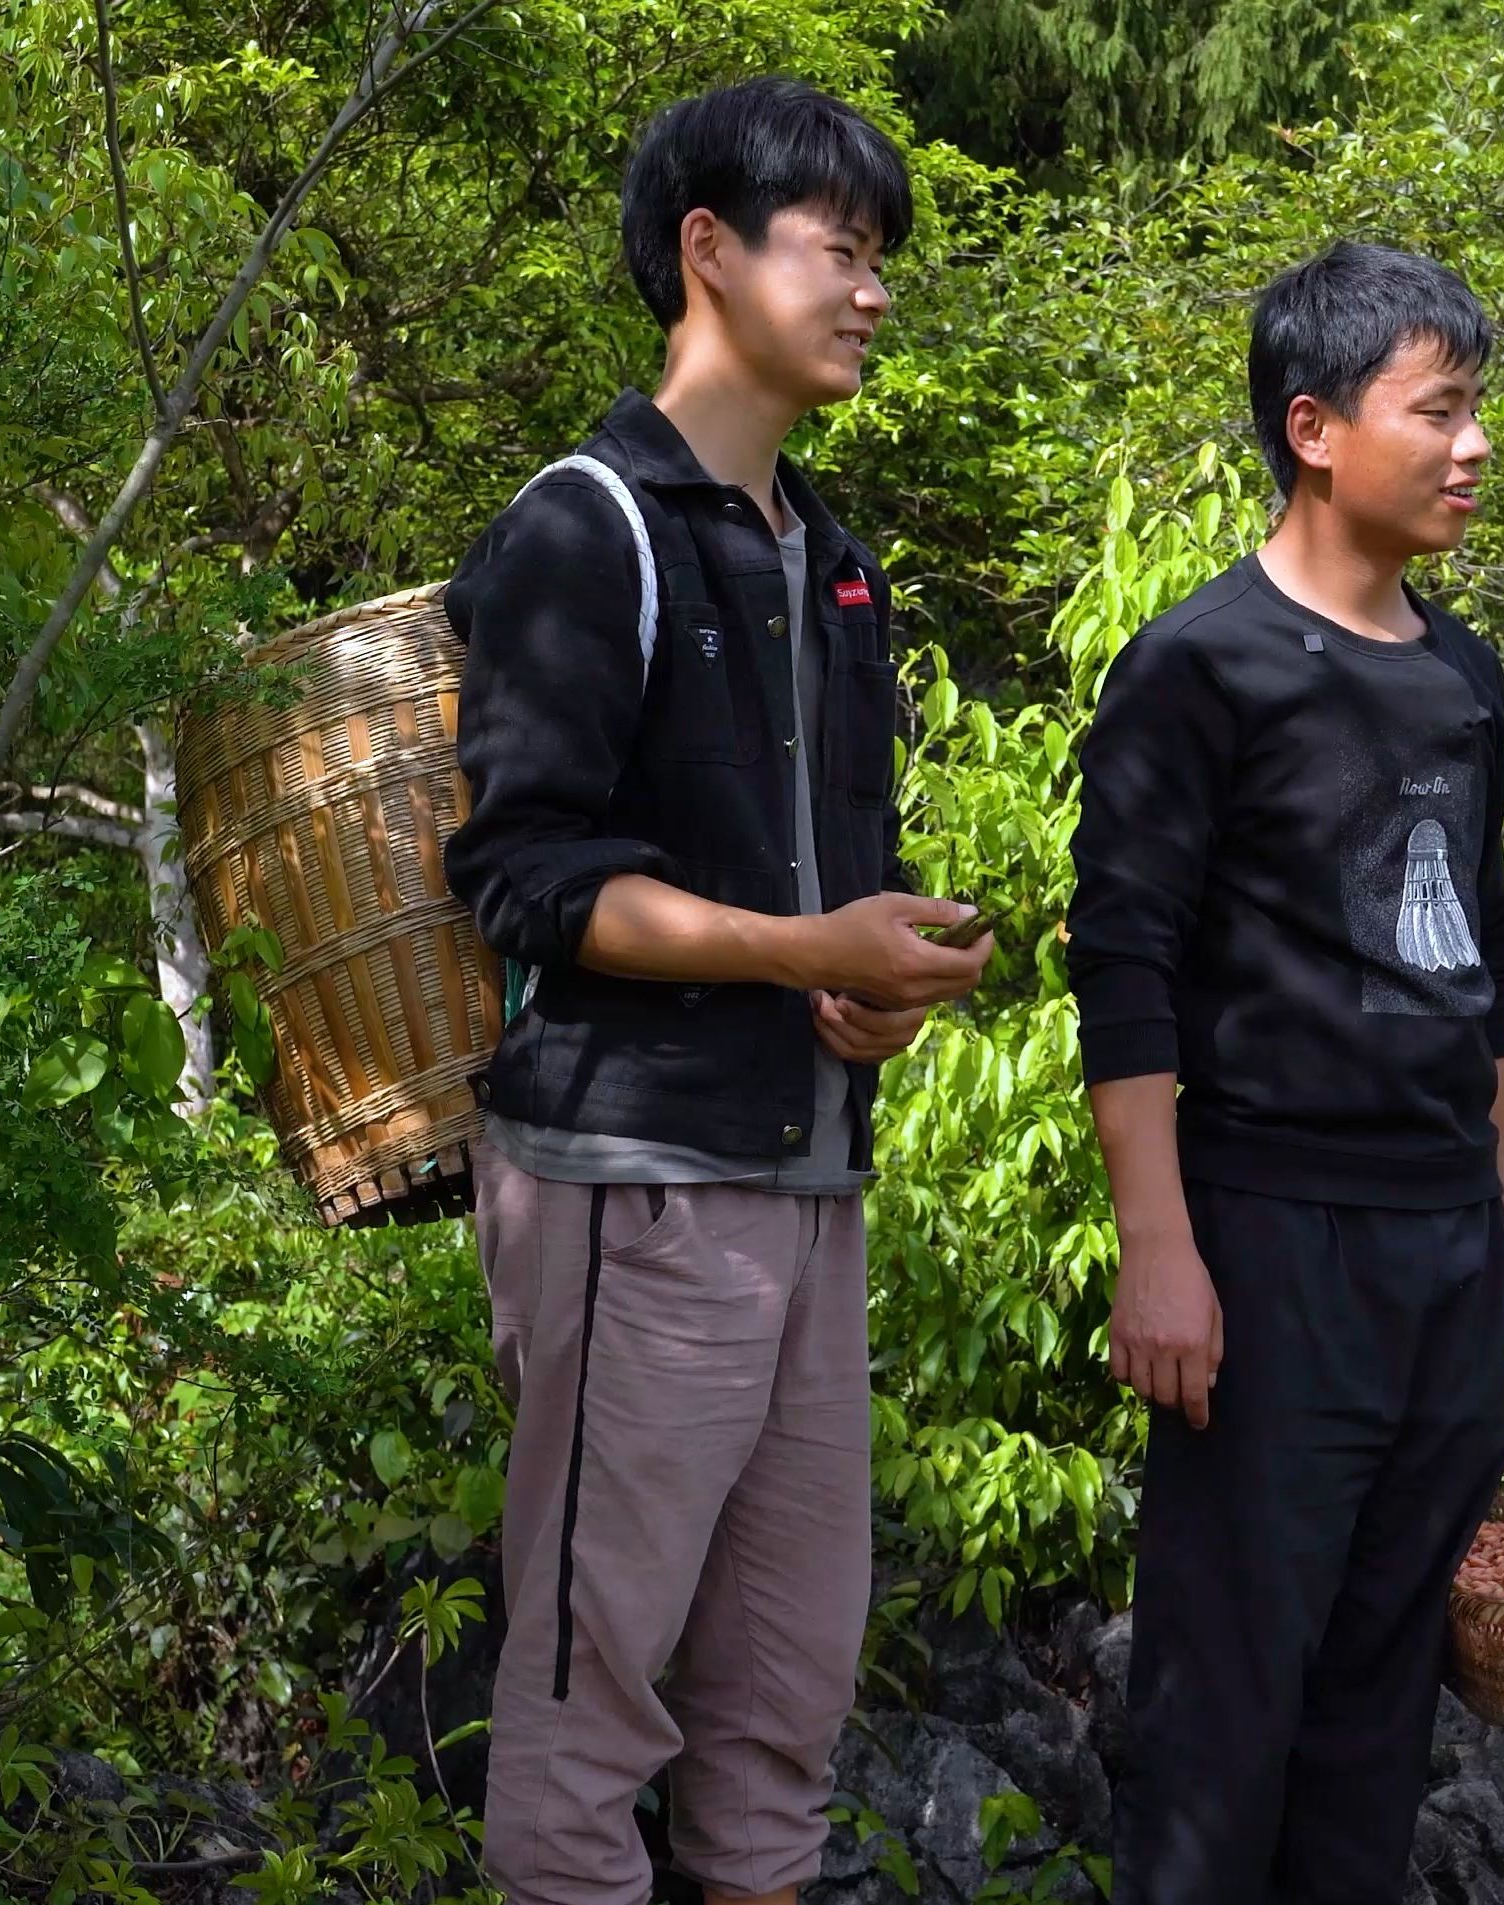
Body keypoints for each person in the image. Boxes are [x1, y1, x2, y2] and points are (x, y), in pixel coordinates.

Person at [438, 78, 995, 1905]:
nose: (872, 292)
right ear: (710, 252)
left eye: (876, 259)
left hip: (806, 1175)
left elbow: (831, 875)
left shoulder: (830, 558)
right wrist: (793, 952)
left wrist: (874, 987)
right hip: (634, 1183)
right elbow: (524, 877)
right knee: (591, 1698)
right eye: (842, 248)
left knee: (781, 1702)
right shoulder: (583, 529)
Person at [1068, 241, 1504, 1904]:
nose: (1473, 445)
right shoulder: (1196, 665)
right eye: (1438, 411)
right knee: (1222, 1712)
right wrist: (1162, 1244)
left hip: (1442, 1253)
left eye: (1476, 409)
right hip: (1271, 1241)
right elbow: (1123, 963)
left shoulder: (1463, 675)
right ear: (1314, 426)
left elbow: (1482, 948)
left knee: (1377, 1716)